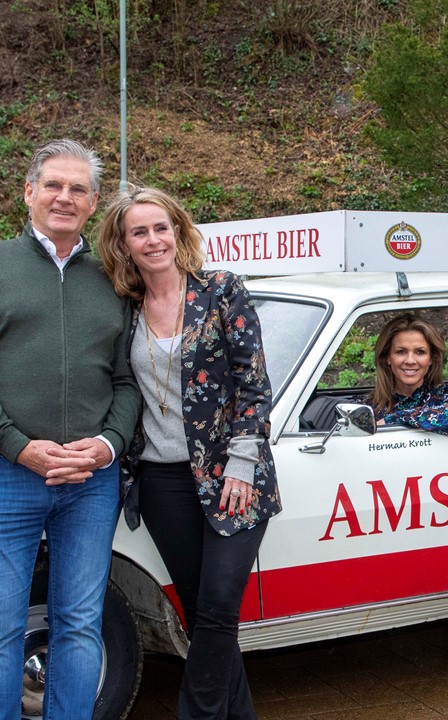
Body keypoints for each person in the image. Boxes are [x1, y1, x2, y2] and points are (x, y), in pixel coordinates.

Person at [0, 139, 141, 719]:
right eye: (53, 184)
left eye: (78, 189)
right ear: (29, 192)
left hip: (90, 483)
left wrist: (107, 447)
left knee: (80, 625)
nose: (64, 197)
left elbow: (127, 381)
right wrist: (17, 445)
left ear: (94, 201)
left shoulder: (112, 280)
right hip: (3, 475)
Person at [96, 185, 281, 720]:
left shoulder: (221, 290)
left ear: (178, 230)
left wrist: (243, 464)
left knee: (221, 606)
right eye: (139, 232)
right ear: (124, 244)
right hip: (160, 481)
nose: (153, 239)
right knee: (203, 618)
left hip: (233, 475)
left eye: (162, 227)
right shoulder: (124, 309)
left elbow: (254, 383)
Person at [367, 313, 448, 438]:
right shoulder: (371, 406)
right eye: (400, 352)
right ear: (388, 358)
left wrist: (392, 420)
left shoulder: (447, 395)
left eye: (420, 352)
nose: (410, 361)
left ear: (431, 359)